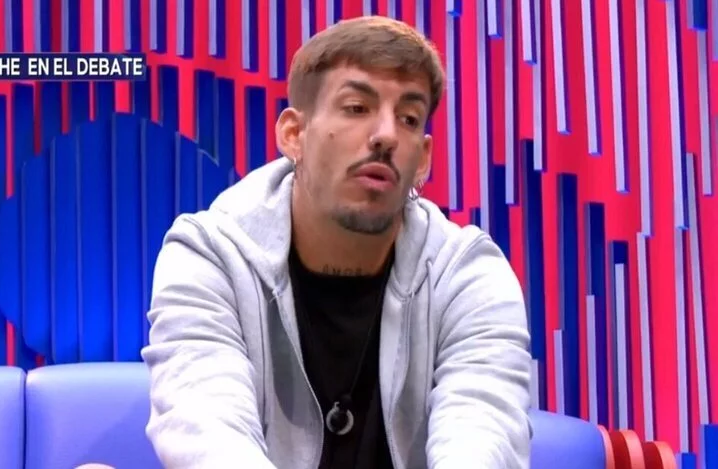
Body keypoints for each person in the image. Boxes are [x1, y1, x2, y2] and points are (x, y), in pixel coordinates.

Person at [141, 15, 533, 469]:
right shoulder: (209, 256)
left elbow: (484, 434)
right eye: (356, 108)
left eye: (408, 118)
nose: (386, 135)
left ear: (423, 158)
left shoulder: (468, 274)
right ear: (294, 134)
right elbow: (207, 430)